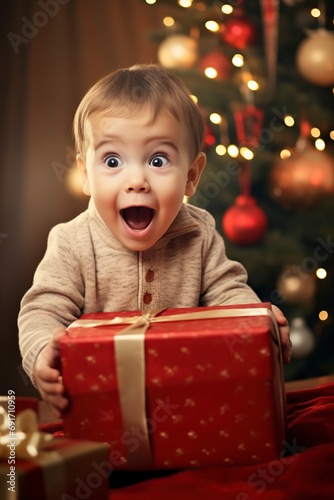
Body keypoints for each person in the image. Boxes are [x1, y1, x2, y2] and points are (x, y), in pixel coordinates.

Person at [18, 64, 291, 418]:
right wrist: (43, 351)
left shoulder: (199, 233)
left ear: (191, 176)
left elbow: (228, 293)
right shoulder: (72, 242)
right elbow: (42, 310)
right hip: (103, 408)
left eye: (158, 160)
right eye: (112, 160)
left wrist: (256, 322)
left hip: (187, 404)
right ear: (86, 174)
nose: (136, 181)